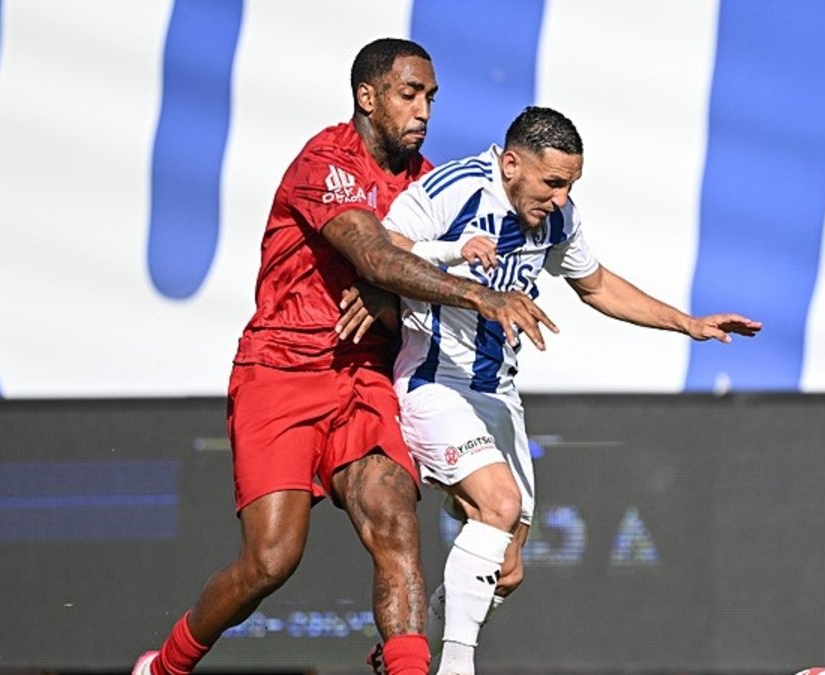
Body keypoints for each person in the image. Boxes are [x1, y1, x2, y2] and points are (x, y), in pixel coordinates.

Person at [131, 40, 556, 675]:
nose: (423, 112)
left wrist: (396, 292)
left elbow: (406, 283)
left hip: (364, 376)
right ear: (368, 97)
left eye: (431, 98)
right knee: (271, 560)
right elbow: (379, 256)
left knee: (394, 520)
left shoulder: (428, 184)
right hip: (283, 366)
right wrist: (464, 290)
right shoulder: (326, 161)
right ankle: (165, 666)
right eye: (409, 95)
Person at [364, 106, 762, 675]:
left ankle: (401, 656)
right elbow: (384, 250)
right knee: (497, 504)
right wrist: (455, 253)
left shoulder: (557, 217)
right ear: (510, 165)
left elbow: (595, 284)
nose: (560, 197)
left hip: (497, 395)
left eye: (570, 184)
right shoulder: (457, 189)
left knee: (507, 570)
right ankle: (453, 668)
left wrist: (687, 323)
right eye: (552, 182)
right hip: (436, 382)